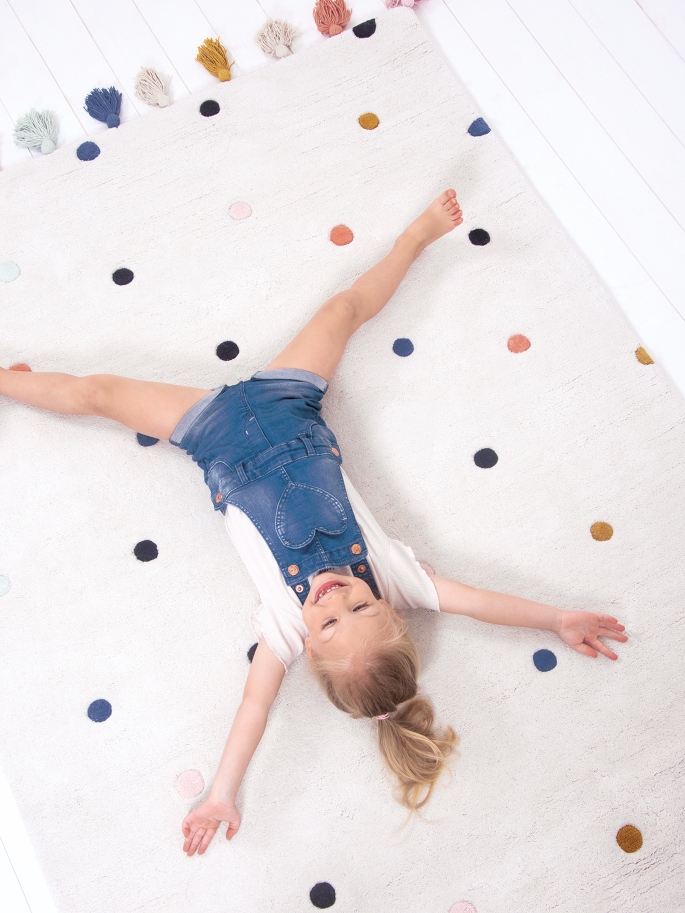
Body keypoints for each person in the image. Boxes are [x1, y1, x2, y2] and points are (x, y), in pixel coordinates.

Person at [0, 190, 628, 855]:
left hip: (211, 434)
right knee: (342, 309)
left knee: (96, 392)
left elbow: (253, 709)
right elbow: (477, 600)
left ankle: (10, 382)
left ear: (311, 652)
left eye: (327, 621)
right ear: (387, 605)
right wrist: (554, 618)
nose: (333, 595)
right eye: (358, 602)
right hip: (290, 403)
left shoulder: (281, 627)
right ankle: (415, 237)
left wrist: (221, 791)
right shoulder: (401, 580)